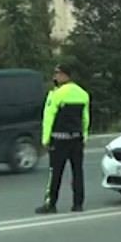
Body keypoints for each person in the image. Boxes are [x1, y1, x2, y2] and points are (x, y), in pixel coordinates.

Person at [36, 64, 90, 215]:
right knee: (77, 172)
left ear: (65, 76)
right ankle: (78, 204)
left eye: (57, 74)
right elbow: (85, 118)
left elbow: (49, 117)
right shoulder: (83, 94)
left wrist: (45, 140)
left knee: (55, 173)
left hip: (59, 140)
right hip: (77, 139)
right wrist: (84, 136)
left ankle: (50, 204)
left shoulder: (56, 94)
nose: (55, 77)